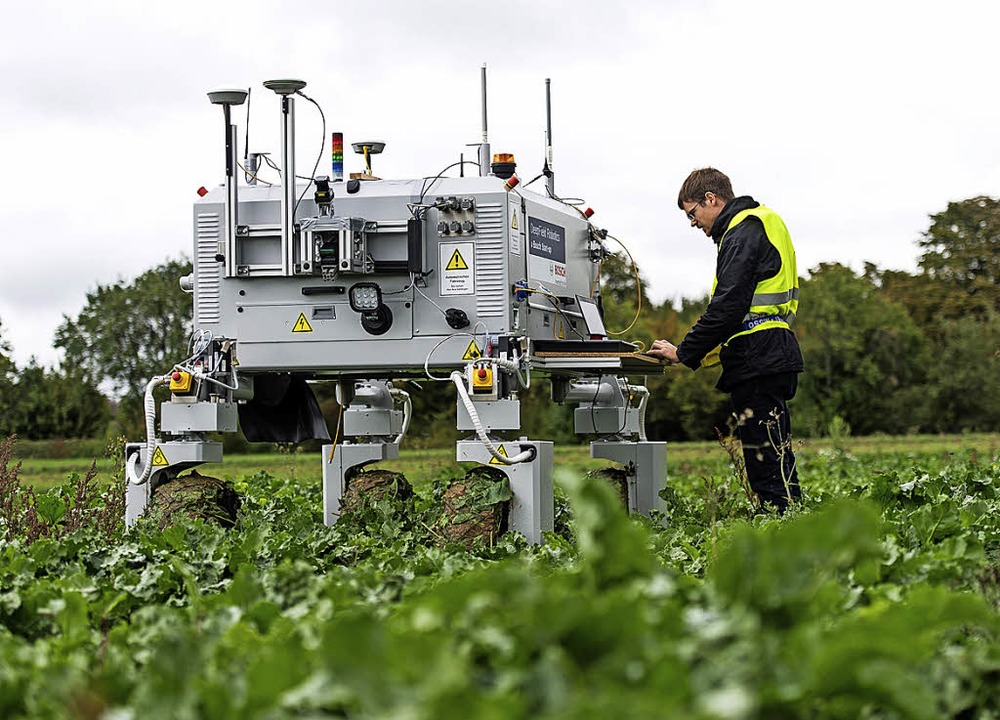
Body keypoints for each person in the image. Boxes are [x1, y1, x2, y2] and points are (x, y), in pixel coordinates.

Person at [647, 168, 803, 511]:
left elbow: (728, 308)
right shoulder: (763, 221)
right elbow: (743, 315)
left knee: (764, 460)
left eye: (693, 213)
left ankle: (779, 527)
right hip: (773, 349)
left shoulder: (741, 230)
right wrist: (698, 357)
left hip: (757, 359)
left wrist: (684, 352)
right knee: (776, 453)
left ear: (711, 199)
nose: (693, 223)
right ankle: (790, 519)